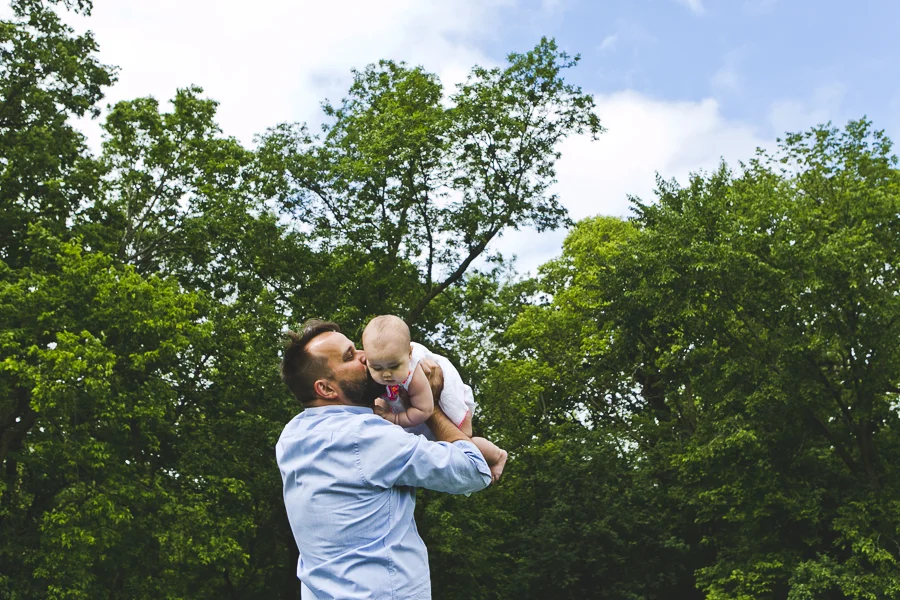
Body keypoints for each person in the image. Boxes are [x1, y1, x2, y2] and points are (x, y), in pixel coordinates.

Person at [276, 319, 492, 600]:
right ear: (326, 389)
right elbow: (474, 469)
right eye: (350, 356)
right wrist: (432, 406)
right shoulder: (366, 437)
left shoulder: (291, 438)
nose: (366, 356)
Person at [362, 314, 508, 482]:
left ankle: (498, 455)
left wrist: (394, 418)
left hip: (427, 407)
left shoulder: (415, 375)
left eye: (394, 366)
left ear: (409, 354)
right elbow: (385, 398)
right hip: (412, 418)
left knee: (464, 442)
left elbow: (424, 410)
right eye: (376, 367)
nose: (386, 374)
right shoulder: (381, 370)